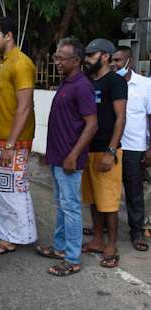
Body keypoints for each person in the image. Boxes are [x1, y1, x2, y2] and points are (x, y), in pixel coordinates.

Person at [35, 37, 98, 276]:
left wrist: (72, 155)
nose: (56, 61)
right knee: (62, 205)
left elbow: (92, 125)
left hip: (69, 159)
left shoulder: (82, 86)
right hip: (58, 157)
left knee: (70, 208)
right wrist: (51, 155)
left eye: (61, 58)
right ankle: (60, 248)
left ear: (77, 60)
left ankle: (72, 258)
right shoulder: (67, 82)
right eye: (56, 57)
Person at [0, 17, 38, 254]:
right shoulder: (3, 64)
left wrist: (11, 142)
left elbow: (25, 107)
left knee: (12, 191)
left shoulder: (21, 64)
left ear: (8, 36)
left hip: (13, 142)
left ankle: (14, 238)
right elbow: (0, 107)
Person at [81, 38, 127, 268]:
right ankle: (98, 239)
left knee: (109, 201)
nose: (87, 60)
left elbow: (120, 117)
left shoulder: (115, 82)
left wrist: (111, 150)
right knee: (92, 199)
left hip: (107, 150)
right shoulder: (88, 81)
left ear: (105, 56)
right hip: (88, 150)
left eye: (91, 55)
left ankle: (112, 244)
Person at [110, 46, 151, 252]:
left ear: (130, 61)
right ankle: (107, 229)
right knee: (109, 190)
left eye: (118, 60)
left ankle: (137, 232)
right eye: (113, 61)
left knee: (134, 191)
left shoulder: (145, 85)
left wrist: (150, 148)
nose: (115, 64)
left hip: (135, 148)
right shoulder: (110, 83)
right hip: (112, 147)